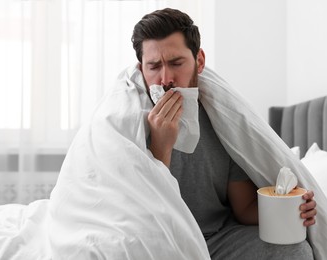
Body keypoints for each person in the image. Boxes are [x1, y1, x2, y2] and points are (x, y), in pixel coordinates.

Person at [131, 8, 317, 260]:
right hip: (161, 239)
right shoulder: (129, 123)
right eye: (154, 66)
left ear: (199, 61)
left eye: (176, 63)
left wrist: (292, 208)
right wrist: (161, 147)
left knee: (296, 249)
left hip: (218, 239)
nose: (165, 79)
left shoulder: (223, 121)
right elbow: (140, 213)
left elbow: (244, 209)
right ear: (141, 70)